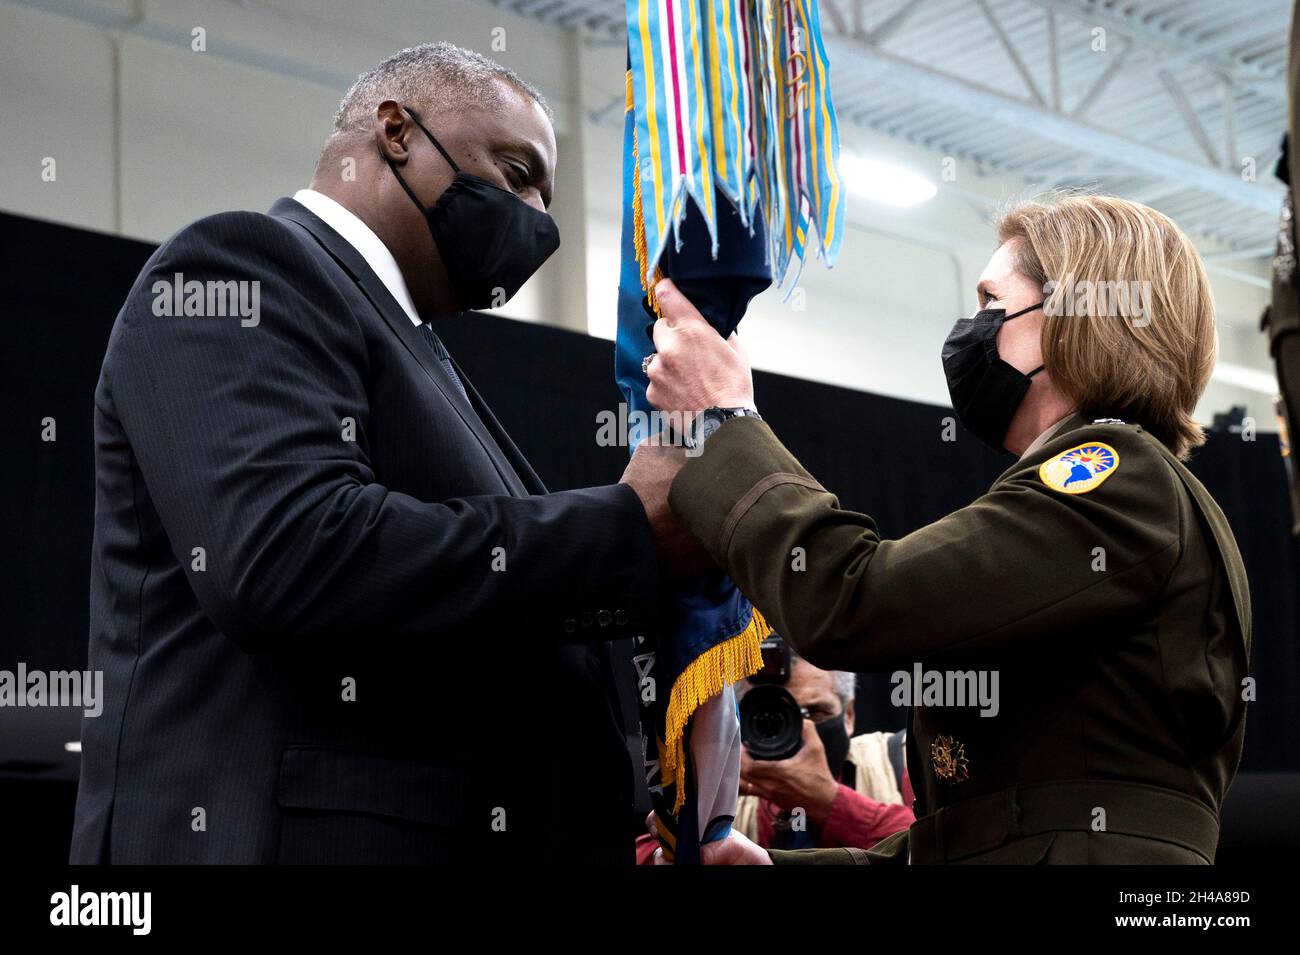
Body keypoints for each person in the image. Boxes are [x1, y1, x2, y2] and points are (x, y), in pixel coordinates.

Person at [71, 42, 694, 864]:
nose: (537, 218)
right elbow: (288, 554)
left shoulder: (423, 352)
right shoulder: (243, 266)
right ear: (396, 131)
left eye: (548, 195)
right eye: (516, 172)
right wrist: (624, 529)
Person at [630, 194, 1252, 864]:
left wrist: (725, 421)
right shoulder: (1118, 490)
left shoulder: (1115, 479)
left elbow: (850, 600)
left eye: (992, 302)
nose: (971, 329)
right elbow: (970, 839)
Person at [633, 651, 911, 862]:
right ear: (739, 718)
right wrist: (685, 827)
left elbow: (939, 845)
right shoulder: (720, 780)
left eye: (814, 713)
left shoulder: (901, 759)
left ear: (849, 715)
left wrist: (830, 802)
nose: (799, 733)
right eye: (772, 718)